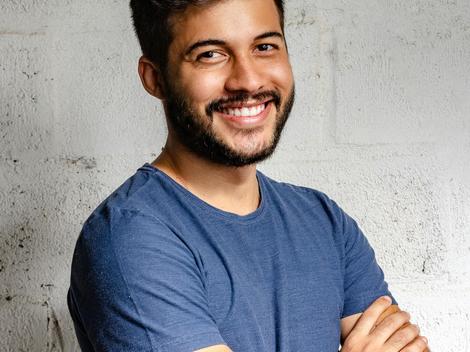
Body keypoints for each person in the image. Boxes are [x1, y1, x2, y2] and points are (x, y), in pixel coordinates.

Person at [67, 0, 430, 351]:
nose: (248, 80)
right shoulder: (131, 236)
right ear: (155, 78)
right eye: (210, 53)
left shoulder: (325, 222)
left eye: (265, 46)